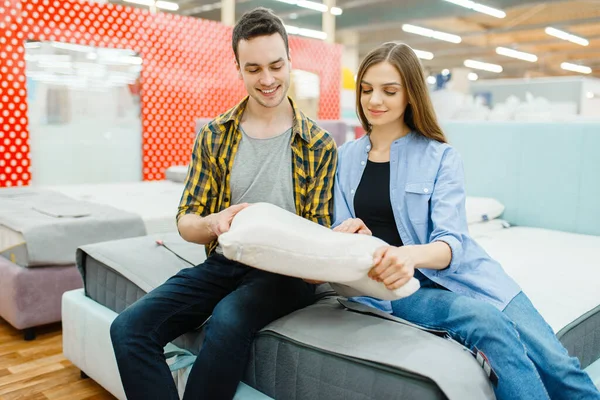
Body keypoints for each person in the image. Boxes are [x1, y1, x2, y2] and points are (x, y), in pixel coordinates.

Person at [332, 41, 600, 400]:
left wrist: (408, 254)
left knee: (558, 364)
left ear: (410, 94)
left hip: (469, 274)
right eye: (366, 90)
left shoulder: (441, 156)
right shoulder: (344, 159)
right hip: (400, 290)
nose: (374, 100)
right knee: (486, 322)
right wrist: (353, 237)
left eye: (389, 91)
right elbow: (340, 232)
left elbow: (451, 243)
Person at [110, 7, 337, 400]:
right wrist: (214, 223)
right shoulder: (215, 135)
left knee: (229, 317)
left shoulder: (318, 144)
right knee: (129, 329)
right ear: (238, 68)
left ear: (289, 61)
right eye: (253, 69)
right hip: (225, 262)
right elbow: (186, 220)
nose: (267, 80)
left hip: (286, 273)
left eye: (275, 65)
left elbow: (316, 237)